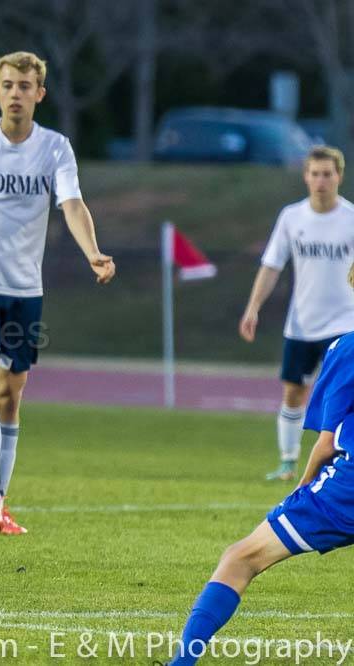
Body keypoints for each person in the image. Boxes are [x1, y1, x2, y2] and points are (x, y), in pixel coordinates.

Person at [0, 51, 115, 535]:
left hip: (25, 289)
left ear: (39, 94)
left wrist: (92, 251)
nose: (16, 93)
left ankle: (0, 502)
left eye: (25, 86)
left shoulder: (55, 148)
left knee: (12, 394)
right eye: (8, 85)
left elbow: (72, 204)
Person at [169, 264, 354, 665]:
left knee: (240, 557)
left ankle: (182, 662)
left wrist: (303, 486)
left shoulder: (347, 348)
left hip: (347, 492)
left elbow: (326, 443)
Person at [239, 145, 354, 481]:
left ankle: (334, 461)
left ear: (339, 177)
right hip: (302, 323)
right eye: (315, 174)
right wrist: (253, 307)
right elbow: (272, 265)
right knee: (293, 392)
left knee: (340, 397)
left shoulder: (351, 219)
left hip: (345, 323)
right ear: (306, 177)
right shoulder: (292, 217)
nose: (321, 181)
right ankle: (288, 462)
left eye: (327, 174)